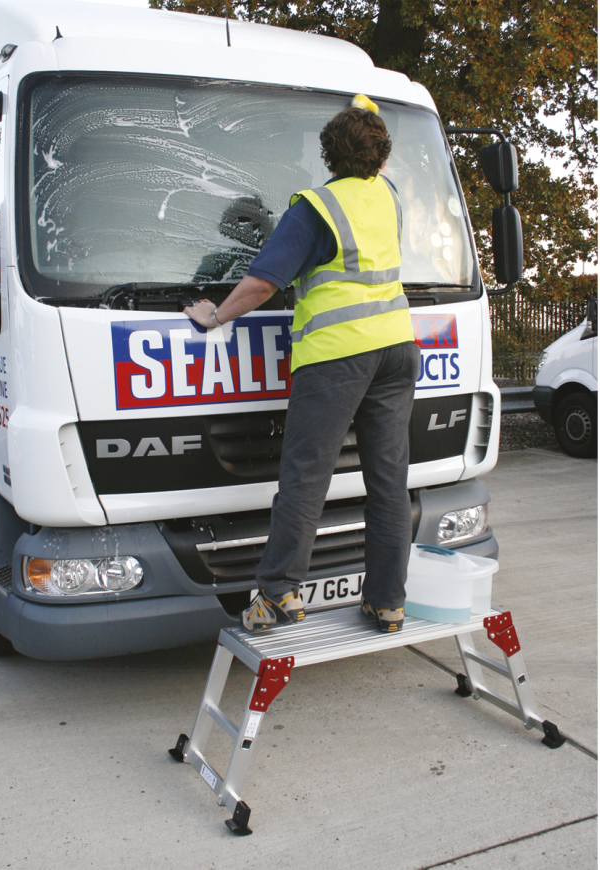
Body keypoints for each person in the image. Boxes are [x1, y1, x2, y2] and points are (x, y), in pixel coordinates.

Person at [184, 97, 419, 634]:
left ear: (329, 154)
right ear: (381, 153)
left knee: (306, 477)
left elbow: (263, 283)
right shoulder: (389, 195)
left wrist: (213, 315)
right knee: (388, 481)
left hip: (338, 355)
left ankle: (277, 595)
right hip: (397, 348)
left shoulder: (317, 207)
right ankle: (388, 602)